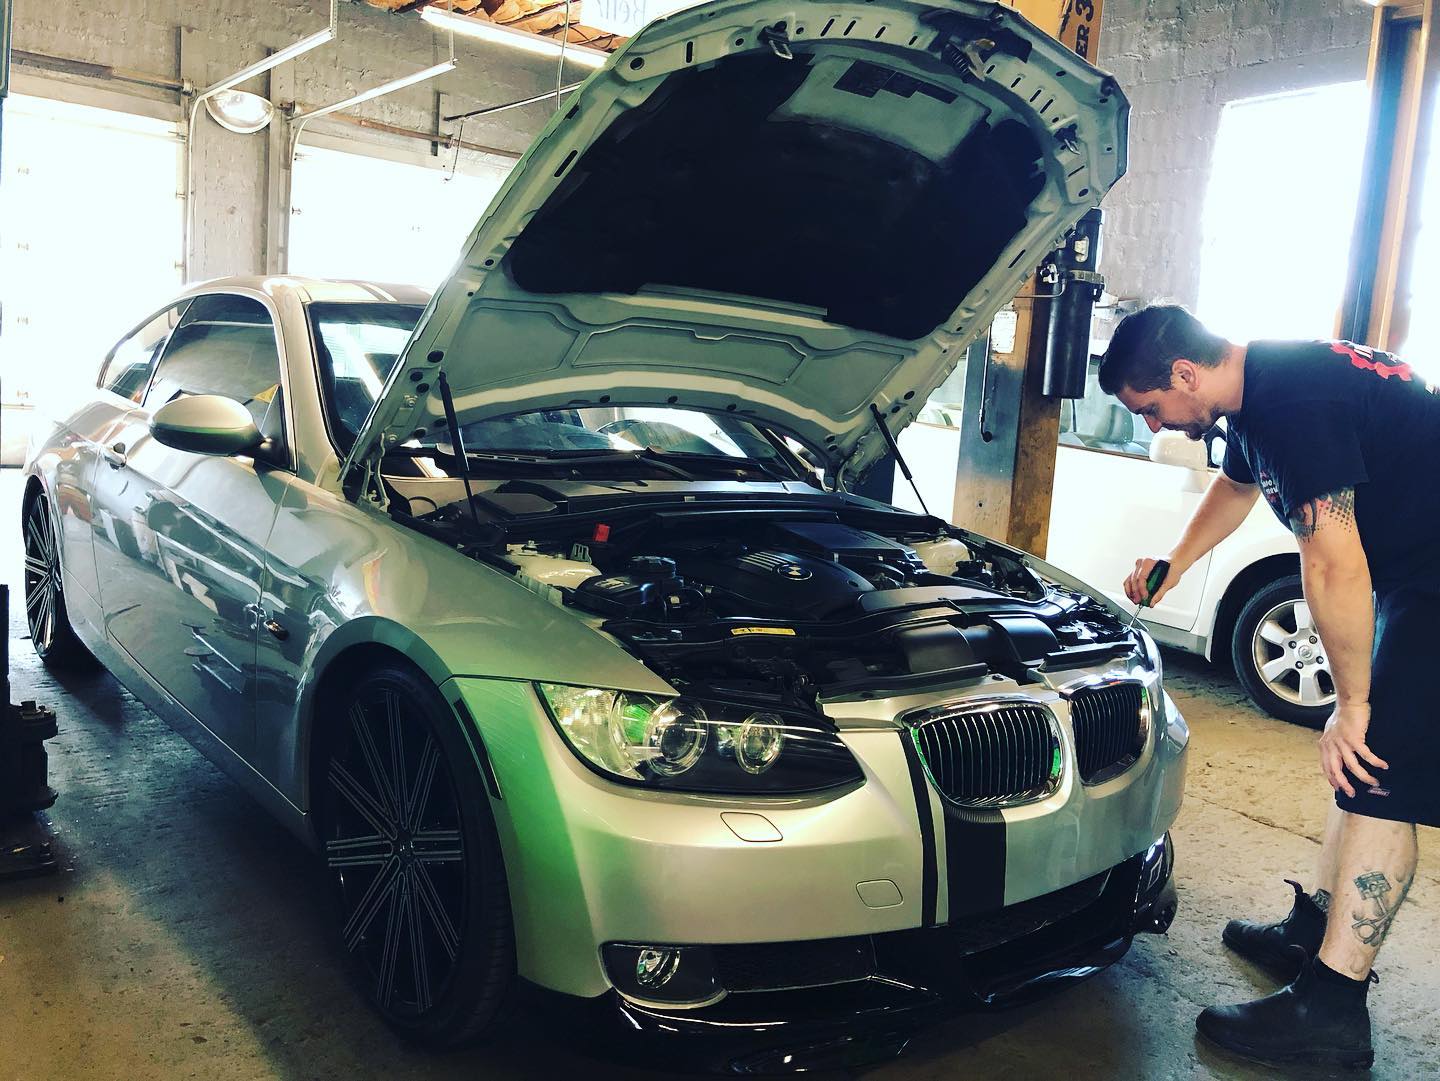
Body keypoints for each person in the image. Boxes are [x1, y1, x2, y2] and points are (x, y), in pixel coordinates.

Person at [1098, 304, 1434, 1071]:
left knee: (1379, 775)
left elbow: (1333, 562)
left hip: (1432, 579)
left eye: (1152, 407)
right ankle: (1315, 930)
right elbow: (1235, 486)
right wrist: (1175, 563)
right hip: (1418, 571)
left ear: (1185, 374)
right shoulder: (1258, 390)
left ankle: (1333, 1011)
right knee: (1360, 762)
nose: (1155, 424)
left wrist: (1352, 705)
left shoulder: (1292, 402)